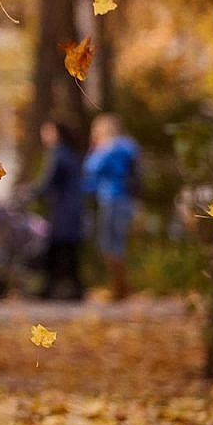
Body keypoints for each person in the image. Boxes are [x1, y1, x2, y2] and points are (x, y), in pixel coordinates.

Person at [26, 119, 86, 301]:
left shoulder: (58, 153)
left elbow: (48, 181)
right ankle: (65, 288)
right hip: (72, 207)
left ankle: (54, 289)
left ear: (56, 133)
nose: (44, 136)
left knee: (59, 248)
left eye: (47, 132)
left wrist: (30, 192)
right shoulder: (70, 153)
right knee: (67, 250)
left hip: (64, 210)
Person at [84, 112, 141, 299]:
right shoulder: (128, 146)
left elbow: (91, 168)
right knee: (114, 243)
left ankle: (120, 289)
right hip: (122, 199)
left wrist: (96, 149)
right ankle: (121, 288)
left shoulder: (109, 148)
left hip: (113, 199)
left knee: (110, 244)